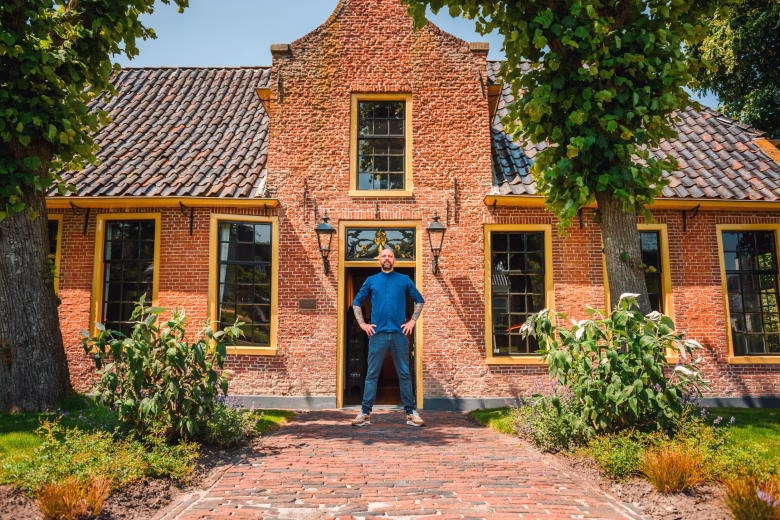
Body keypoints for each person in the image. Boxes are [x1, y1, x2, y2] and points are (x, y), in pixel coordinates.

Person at [350, 246, 425, 427]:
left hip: (399, 335)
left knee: (404, 374)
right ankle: (365, 413)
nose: (386, 258)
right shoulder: (371, 280)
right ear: (379, 260)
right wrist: (362, 324)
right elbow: (356, 302)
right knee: (371, 375)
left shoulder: (404, 279)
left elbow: (419, 300)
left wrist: (412, 321)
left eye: (390, 256)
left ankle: (411, 413)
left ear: (394, 260)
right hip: (378, 335)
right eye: (383, 256)